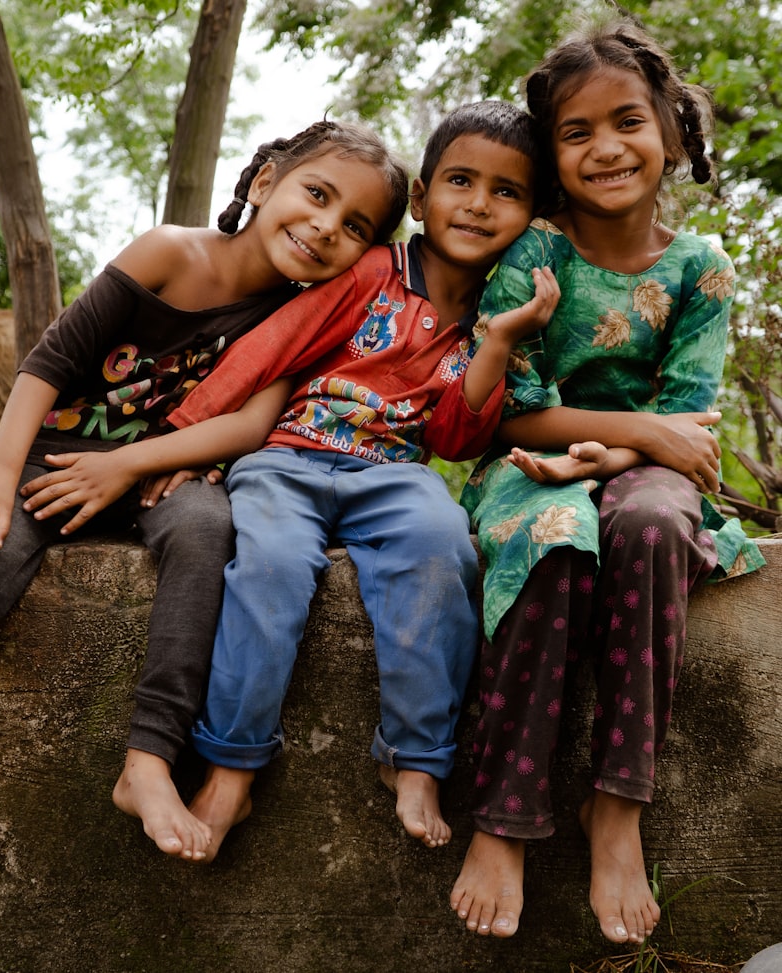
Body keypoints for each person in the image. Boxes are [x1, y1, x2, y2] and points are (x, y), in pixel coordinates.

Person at [0, 119, 412, 876]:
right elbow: (52, 357)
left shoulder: (300, 317)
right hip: (53, 457)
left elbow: (250, 423)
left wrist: (131, 464)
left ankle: (148, 759)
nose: (324, 227)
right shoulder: (169, 252)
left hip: (158, 474)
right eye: (316, 194)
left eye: (355, 227)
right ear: (263, 182)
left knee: (210, 526)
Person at [92, 100, 557, 863]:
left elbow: (452, 437)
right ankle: (231, 766)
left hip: (396, 473)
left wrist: (499, 344)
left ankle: (414, 760)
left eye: (506, 192)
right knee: (270, 565)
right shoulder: (376, 269)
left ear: (531, 213)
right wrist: (187, 438)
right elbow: (273, 346)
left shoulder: (497, 313)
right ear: (421, 198)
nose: (478, 204)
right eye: (462, 181)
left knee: (445, 547)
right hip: (289, 455)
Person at [447, 20, 767, 946]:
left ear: (670, 130)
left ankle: (617, 805)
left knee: (659, 525)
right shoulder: (533, 256)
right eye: (575, 132)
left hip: (645, 475)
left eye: (626, 120)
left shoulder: (700, 267)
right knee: (557, 535)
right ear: (552, 156)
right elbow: (512, 413)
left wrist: (620, 454)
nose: (605, 147)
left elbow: (691, 421)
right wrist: (629, 437)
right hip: (529, 464)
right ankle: (505, 810)